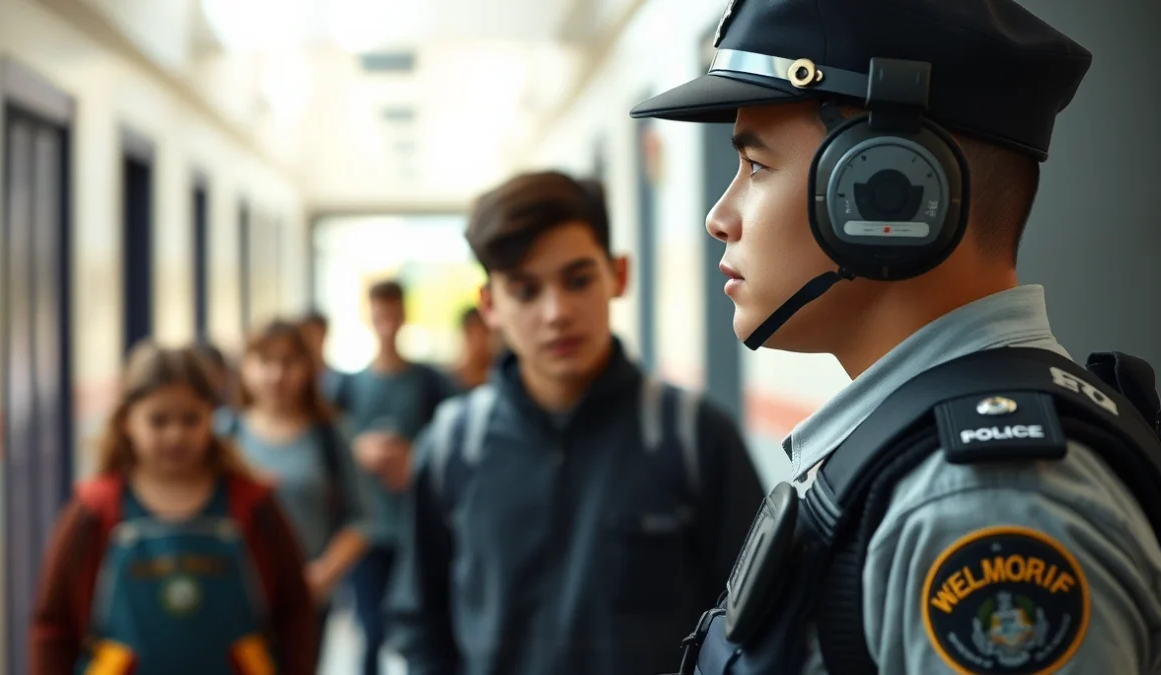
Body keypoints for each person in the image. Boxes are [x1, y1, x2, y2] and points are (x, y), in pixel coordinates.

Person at [628, 0, 1161, 672]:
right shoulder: (918, 458)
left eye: (757, 166)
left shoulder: (980, 505)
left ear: (891, 192)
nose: (719, 216)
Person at [384, 170, 764, 675]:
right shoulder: (453, 445)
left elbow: (755, 627)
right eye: (525, 290)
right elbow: (419, 625)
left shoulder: (694, 438)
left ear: (618, 275)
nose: (556, 312)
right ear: (490, 305)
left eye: (578, 279)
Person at [30, 343, 317, 675]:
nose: (175, 434)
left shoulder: (253, 506)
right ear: (127, 421)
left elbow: (295, 610)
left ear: (212, 416)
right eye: (159, 421)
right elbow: (52, 626)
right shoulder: (93, 511)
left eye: (190, 419)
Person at [219, 320, 370, 663]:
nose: (276, 374)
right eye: (265, 362)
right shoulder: (224, 435)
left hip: (305, 599)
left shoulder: (329, 435)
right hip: (234, 594)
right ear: (245, 368)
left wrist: (322, 574)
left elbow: (361, 519)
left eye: (288, 362)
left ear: (308, 367)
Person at [335, 280, 456, 675]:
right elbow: (332, 453)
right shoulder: (347, 387)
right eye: (378, 317)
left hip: (416, 529)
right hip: (368, 532)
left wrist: (413, 457)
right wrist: (360, 452)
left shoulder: (430, 382)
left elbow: (452, 443)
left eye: (392, 315)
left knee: (421, 628)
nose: (386, 326)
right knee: (371, 629)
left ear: (404, 316)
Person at [300, 310, 349, 407]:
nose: (313, 341)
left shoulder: (340, 381)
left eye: (317, 335)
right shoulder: (296, 379)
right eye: (308, 335)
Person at [450, 306, 495, 392]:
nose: (478, 341)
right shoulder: (447, 381)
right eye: (472, 334)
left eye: (483, 333)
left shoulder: (499, 379)